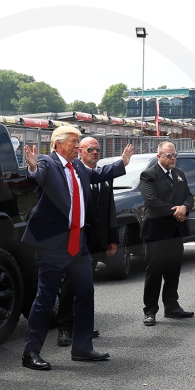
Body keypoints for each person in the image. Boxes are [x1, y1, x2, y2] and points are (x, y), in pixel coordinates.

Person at [19, 127, 132, 369]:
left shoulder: (78, 167)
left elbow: (99, 174)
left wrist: (122, 162)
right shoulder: (46, 163)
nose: (77, 145)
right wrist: (30, 167)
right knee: (45, 298)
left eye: (78, 141)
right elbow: (35, 175)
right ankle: (31, 353)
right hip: (53, 244)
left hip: (77, 244)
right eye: (73, 141)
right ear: (58, 144)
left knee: (85, 292)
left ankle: (82, 347)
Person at [53, 136, 120, 347]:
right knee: (69, 284)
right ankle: (64, 328)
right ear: (80, 151)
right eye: (90, 149)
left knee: (87, 286)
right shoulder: (74, 173)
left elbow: (110, 209)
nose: (95, 152)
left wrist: (112, 238)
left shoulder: (104, 176)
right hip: (76, 238)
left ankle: (83, 326)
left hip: (96, 240)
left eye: (98, 149)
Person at [140, 141, 195, 326]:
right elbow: (152, 201)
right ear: (159, 156)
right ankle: (150, 311)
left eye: (174, 155)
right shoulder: (149, 175)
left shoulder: (179, 173)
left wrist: (185, 207)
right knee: (154, 272)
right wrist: (176, 211)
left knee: (173, 271)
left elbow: (189, 196)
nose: (173, 159)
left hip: (175, 231)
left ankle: (171, 307)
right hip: (156, 232)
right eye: (169, 155)